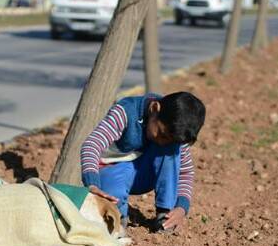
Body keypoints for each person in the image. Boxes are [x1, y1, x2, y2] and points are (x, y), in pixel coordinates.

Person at [80, 91, 206, 233]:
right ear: (154, 109)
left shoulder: (176, 131)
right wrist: (93, 184)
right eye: (161, 133)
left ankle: (165, 215)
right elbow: (92, 145)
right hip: (112, 171)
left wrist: (181, 207)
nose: (162, 141)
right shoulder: (125, 112)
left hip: (144, 173)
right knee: (112, 212)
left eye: (168, 139)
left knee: (171, 150)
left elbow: (185, 172)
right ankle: (119, 217)